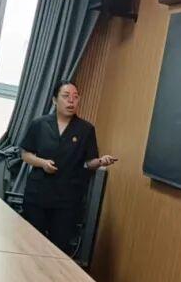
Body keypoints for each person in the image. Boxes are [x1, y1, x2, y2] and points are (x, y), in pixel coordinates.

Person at [19, 81, 117, 254]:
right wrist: (43, 163)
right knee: (31, 245)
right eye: (66, 96)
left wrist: (101, 161)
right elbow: (25, 154)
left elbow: (89, 162)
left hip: (67, 198)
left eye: (75, 97)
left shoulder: (86, 129)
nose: (71, 101)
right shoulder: (39, 124)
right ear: (54, 100)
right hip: (38, 194)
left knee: (59, 250)